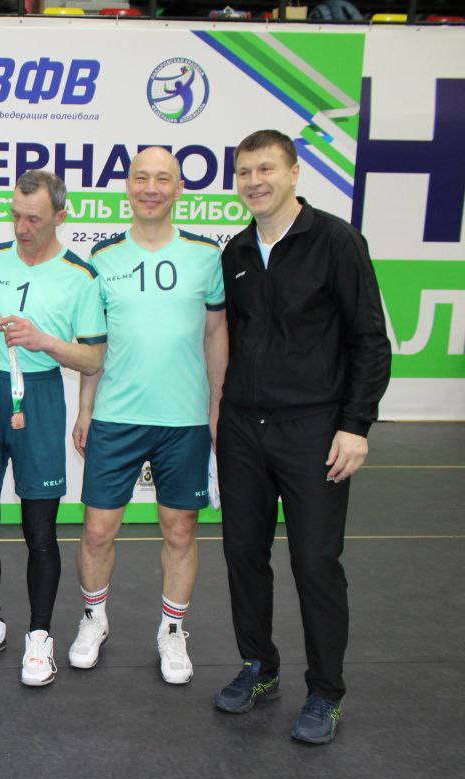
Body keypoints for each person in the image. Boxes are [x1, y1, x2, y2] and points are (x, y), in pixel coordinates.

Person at [213, 129, 391, 745]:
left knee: (314, 561)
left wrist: (355, 425)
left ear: (293, 173)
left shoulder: (336, 241)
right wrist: (222, 417)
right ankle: (259, 667)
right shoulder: (236, 251)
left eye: (266, 169)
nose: (254, 182)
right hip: (243, 426)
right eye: (244, 172)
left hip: (313, 428)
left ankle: (325, 692)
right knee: (243, 554)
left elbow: (370, 340)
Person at [69, 147, 228, 685]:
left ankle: (173, 630)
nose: (151, 188)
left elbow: (216, 333)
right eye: (141, 178)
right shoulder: (103, 257)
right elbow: (95, 344)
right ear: (128, 186)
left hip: (184, 420)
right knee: (97, 531)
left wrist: (216, 404)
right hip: (116, 416)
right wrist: (85, 410)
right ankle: (93, 619)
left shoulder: (206, 256)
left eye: (163, 179)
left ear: (179, 188)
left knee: (180, 531)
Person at [0, 170, 105, 686]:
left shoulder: (81, 276)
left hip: (39, 398)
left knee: (40, 530)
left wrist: (46, 341)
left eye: (34, 219)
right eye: (16, 216)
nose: (22, 228)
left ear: (60, 216)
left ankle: (40, 635)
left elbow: (93, 359)